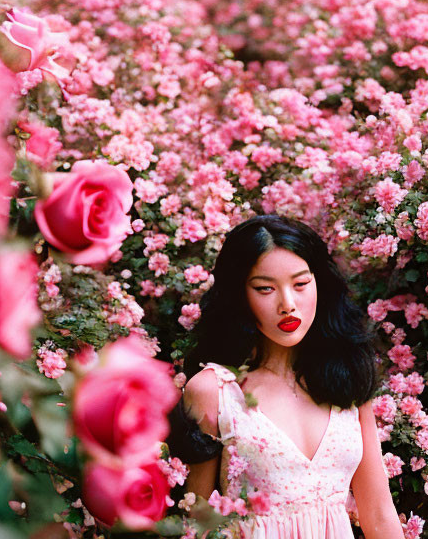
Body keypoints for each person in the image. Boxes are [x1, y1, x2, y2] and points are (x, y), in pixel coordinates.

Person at [171, 215, 405, 539]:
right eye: (265, 288)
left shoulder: (349, 375)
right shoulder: (216, 392)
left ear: (319, 283)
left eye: (300, 284)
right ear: (240, 295)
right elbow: (195, 525)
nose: (288, 304)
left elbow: (379, 514)